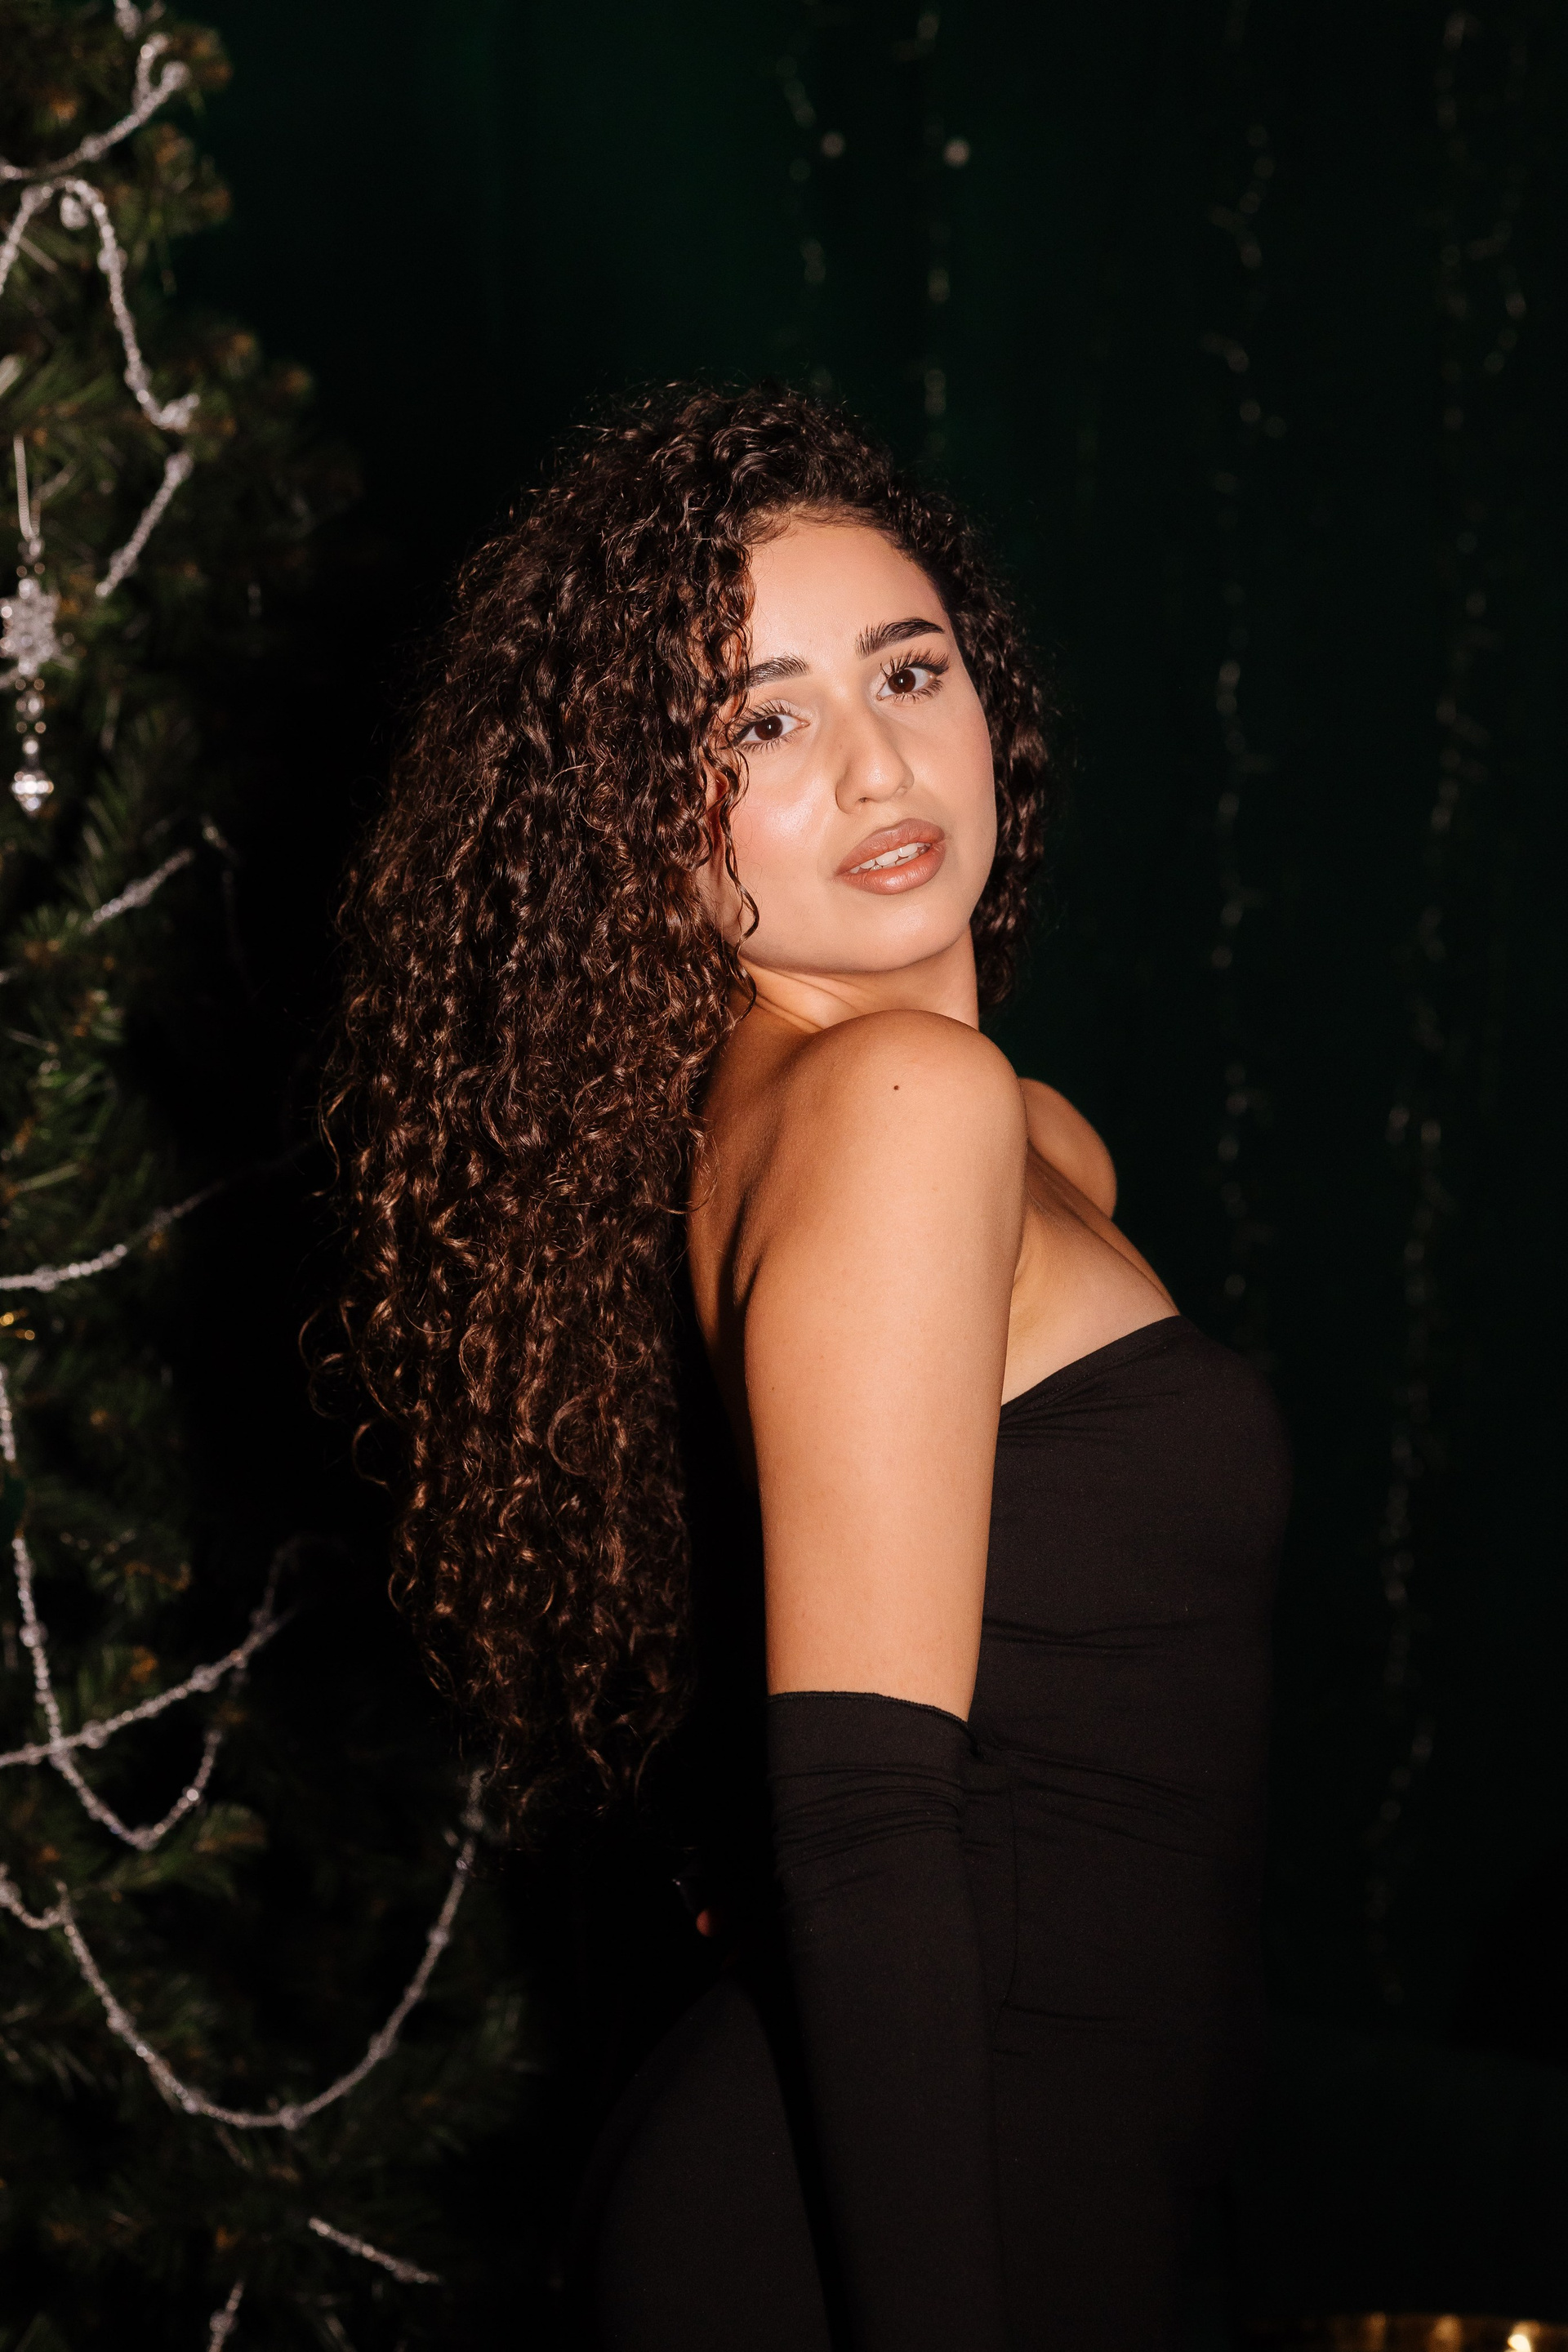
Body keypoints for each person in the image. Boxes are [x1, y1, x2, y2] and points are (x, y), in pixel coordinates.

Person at [327, 385, 1292, 2351]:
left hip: (1038, 2162)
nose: (876, 763)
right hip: (898, 2218)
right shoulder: (902, 1106)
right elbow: (857, 1811)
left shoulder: (1005, 1132)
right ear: (628, 817)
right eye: (760, 722)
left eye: (909, 671)